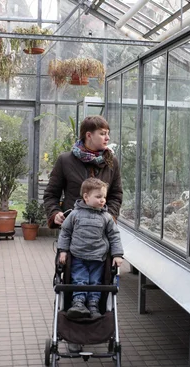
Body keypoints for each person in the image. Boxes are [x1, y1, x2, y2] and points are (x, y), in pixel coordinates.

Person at [57, 178, 124, 319]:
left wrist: (117, 254)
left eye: (104, 197)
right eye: (98, 197)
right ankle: (78, 304)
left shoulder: (106, 217)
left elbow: (114, 235)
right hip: (78, 257)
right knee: (79, 280)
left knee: (95, 282)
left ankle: (93, 306)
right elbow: (65, 232)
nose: (103, 200)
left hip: (98, 258)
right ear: (86, 197)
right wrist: (63, 251)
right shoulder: (75, 214)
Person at [43, 115, 123, 229]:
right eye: (102, 133)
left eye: (107, 133)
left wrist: (110, 217)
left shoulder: (111, 161)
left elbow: (116, 195)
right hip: (72, 229)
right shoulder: (65, 160)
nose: (107, 138)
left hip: (101, 231)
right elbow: (51, 194)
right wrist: (55, 213)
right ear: (89, 135)